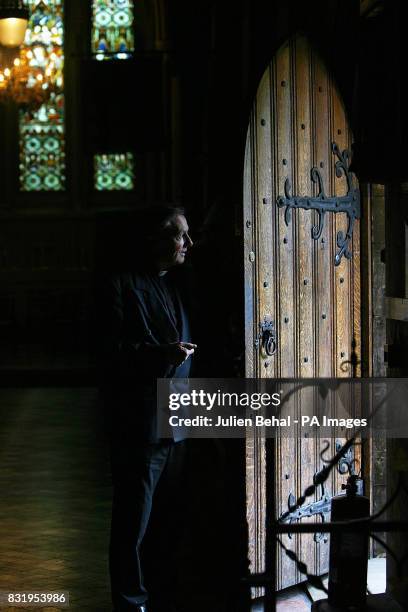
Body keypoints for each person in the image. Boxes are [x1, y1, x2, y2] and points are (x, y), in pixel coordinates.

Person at [98, 205, 196, 612]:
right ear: (153, 239)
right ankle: (130, 600)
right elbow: (109, 355)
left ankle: (162, 593)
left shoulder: (175, 285)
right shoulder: (117, 284)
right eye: (179, 235)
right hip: (140, 423)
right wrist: (162, 355)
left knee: (167, 520)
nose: (188, 244)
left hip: (177, 422)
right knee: (133, 523)